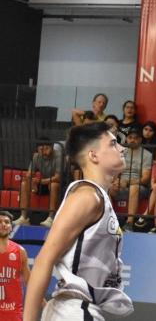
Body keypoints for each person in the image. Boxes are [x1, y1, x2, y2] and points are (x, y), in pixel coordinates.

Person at [23, 122, 133, 321]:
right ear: (93, 155)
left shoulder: (98, 197)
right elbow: (44, 260)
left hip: (81, 308)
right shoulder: (87, 197)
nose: (122, 148)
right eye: (113, 143)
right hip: (73, 311)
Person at [13, 140, 62, 227]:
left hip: (60, 184)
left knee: (53, 185)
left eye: (47, 149)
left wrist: (41, 181)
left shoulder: (58, 156)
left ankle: (51, 218)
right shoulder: (36, 156)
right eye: (41, 149)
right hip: (44, 182)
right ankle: (23, 217)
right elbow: (29, 173)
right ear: (37, 150)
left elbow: (58, 177)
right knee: (24, 183)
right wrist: (32, 181)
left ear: (52, 148)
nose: (44, 152)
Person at [113, 127, 152, 231]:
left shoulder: (147, 154)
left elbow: (145, 179)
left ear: (140, 140)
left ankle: (129, 223)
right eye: (130, 137)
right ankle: (109, 220)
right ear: (127, 139)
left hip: (140, 187)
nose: (132, 140)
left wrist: (128, 182)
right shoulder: (121, 152)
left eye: (135, 138)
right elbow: (116, 172)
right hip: (122, 183)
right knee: (109, 186)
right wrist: (116, 181)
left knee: (134, 187)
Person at [0, 210, 30, 321]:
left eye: (7, 222)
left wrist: (45, 305)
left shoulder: (20, 251)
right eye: (0, 222)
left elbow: (30, 282)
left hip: (13, 313)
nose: (3, 224)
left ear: (11, 227)